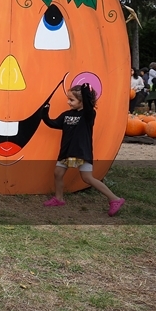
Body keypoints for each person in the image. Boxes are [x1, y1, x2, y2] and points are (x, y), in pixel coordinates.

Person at [42, 83, 125, 216]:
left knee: (87, 178)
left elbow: (88, 106)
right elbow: (53, 124)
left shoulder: (88, 115)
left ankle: (115, 199)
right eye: (68, 99)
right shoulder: (67, 115)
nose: (68, 102)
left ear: (82, 101)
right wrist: (44, 113)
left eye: (72, 100)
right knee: (58, 173)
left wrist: (86, 92)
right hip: (66, 151)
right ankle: (58, 199)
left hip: (81, 152)